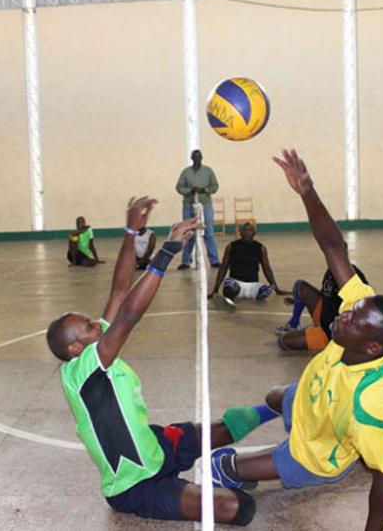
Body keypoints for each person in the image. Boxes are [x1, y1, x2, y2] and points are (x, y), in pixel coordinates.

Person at [210, 149, 383, 531]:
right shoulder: (360, 317)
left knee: (222, 466)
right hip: (311, 396)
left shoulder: (368, 404)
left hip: (314, 456)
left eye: (354, 318)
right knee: (275, 395)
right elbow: (335, 247)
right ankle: (285, 414)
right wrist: (307, 191)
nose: (346, 311)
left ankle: (322, 462)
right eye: (353, 308)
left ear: (372, 348)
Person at [47, 197, 275, 525]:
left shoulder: (94, 349)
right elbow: (128, 315)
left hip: (154, 444)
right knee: (236, 509)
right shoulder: (84, 371)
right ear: (73, 350)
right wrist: (166, 252)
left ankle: (275, 409)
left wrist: (130, 232)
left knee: (225, 428)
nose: (97, 324)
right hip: (134, 486)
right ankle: (211, 482)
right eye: (88, 326)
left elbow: (118, 291)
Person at [276, 253, 369, 353]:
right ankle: (294, 323)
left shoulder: (353, 277)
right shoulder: (330, 271)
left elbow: (365, 304)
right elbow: (326, 294)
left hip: (329, 332)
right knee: (300, 286)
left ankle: (325, 342)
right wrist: (296, 301)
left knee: (283, 342)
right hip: (323, 315)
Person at [207, 222, 284, 310]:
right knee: (228, 287)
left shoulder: (261, 248)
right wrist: (215, 290)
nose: (247, 232)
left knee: (265, 290)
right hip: (235, 284)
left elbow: (267, 269)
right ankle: (229, 303)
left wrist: (276, 288)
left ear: (254, 233)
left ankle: (257, 293)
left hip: (253, 285)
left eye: (250, 230)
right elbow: (223, 268)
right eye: (244, 230)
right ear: (240, 232)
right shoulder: (231, 246)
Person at [175, 149, 221, 270]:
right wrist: (189, 190)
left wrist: (204, 190)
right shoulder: (186, 172)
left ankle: (214, 260)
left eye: (198, 156)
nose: (196, 159)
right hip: (189, 206)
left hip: (205, 205)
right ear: (191, 158)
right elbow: (179, 187)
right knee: (188, 232)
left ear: (201, 158)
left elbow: (215, 186)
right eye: (194, 157)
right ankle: (185, 261)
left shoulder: (208, 171)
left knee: (209, 232)